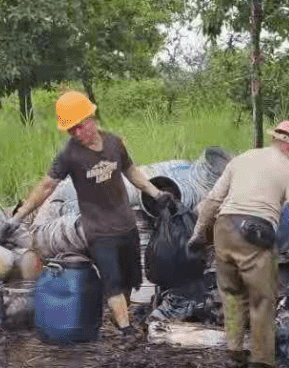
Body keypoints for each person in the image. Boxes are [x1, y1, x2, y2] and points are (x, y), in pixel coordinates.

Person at [10, 91, 171, 338]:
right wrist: (19, 216)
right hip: (98, 230)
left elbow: (131, 171)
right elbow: (46, 186)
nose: (76, 133)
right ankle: (126, 331)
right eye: (70, 130)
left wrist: (155, 192)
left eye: (79, 126)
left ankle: (122, 320)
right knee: (112, 282)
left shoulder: (115, 144)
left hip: (126, 225)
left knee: (128, 280)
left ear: (91, 116)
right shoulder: (69, 155)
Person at [188, 121, 289, 368]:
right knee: (262, 298)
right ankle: (261, 360)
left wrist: (198, 233)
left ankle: (234, 352)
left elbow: (213, 199)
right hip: (255, 232)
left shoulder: (242, 159)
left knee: (231, 292)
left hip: (224, 228)